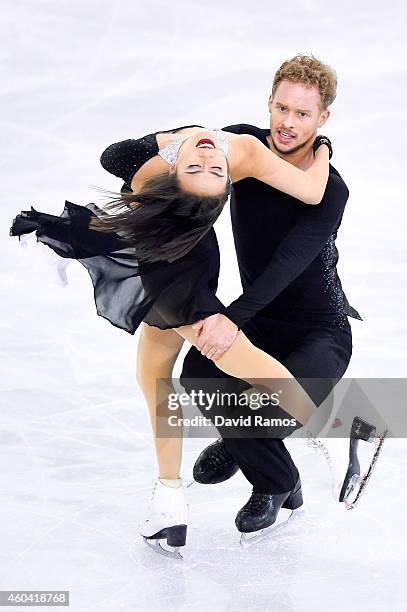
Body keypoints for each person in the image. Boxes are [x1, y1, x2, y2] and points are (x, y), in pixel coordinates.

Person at [9, 120, 332, 557]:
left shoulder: (181, 165)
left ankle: (342, 430)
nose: (207, 159)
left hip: (181, 280)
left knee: (239, 362)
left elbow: (314, 191)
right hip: (165, 261)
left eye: (209, 169)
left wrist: (167, 144)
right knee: (154, 383)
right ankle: (169, 503)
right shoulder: (209, 161)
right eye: (207, 170)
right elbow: (118, 172)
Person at [180, 54, 372, 539]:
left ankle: (261, 461)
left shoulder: (331, 191)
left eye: (303, 114)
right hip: (263, 321)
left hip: (319, 330)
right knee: (198, 373)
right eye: (282, 108)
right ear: (269, 103)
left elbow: (288, 265)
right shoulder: (243, 146)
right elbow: (184, 155)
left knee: (272, 410)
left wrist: (232, 318)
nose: (288, 123)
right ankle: (275, 471)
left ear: (322, 118)